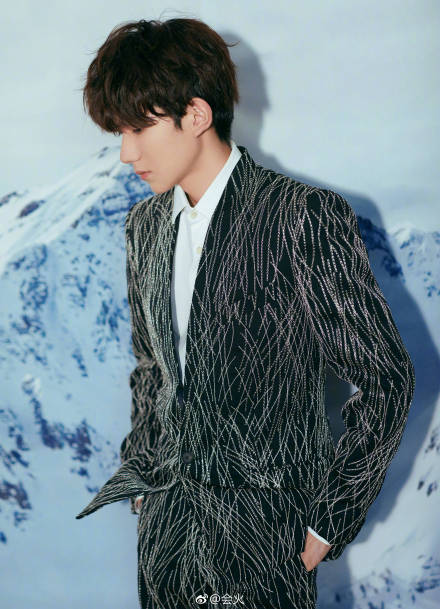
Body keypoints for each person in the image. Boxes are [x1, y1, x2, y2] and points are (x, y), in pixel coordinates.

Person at [75, 17, 415, 609]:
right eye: (120, 133)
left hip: (263, 541)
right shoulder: (143, 227)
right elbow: (152, 369)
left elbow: (386, 380)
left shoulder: (300, 217)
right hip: (166, 540)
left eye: (139, 128)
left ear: (196, 115)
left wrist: (327, 521)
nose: (127, 153)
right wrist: (144, 479)